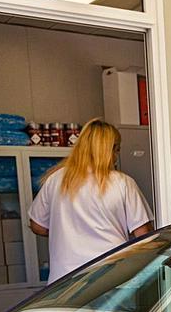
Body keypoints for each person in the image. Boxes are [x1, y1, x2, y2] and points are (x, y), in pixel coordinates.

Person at [29, 118, 153, 282]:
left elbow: (37, 226)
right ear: (108, 150)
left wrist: (68, 231)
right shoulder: (122, 183)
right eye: (117, 150)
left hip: (64, 282)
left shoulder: (56, 180)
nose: (116, 156)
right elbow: (144, 236)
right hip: (110, 280)